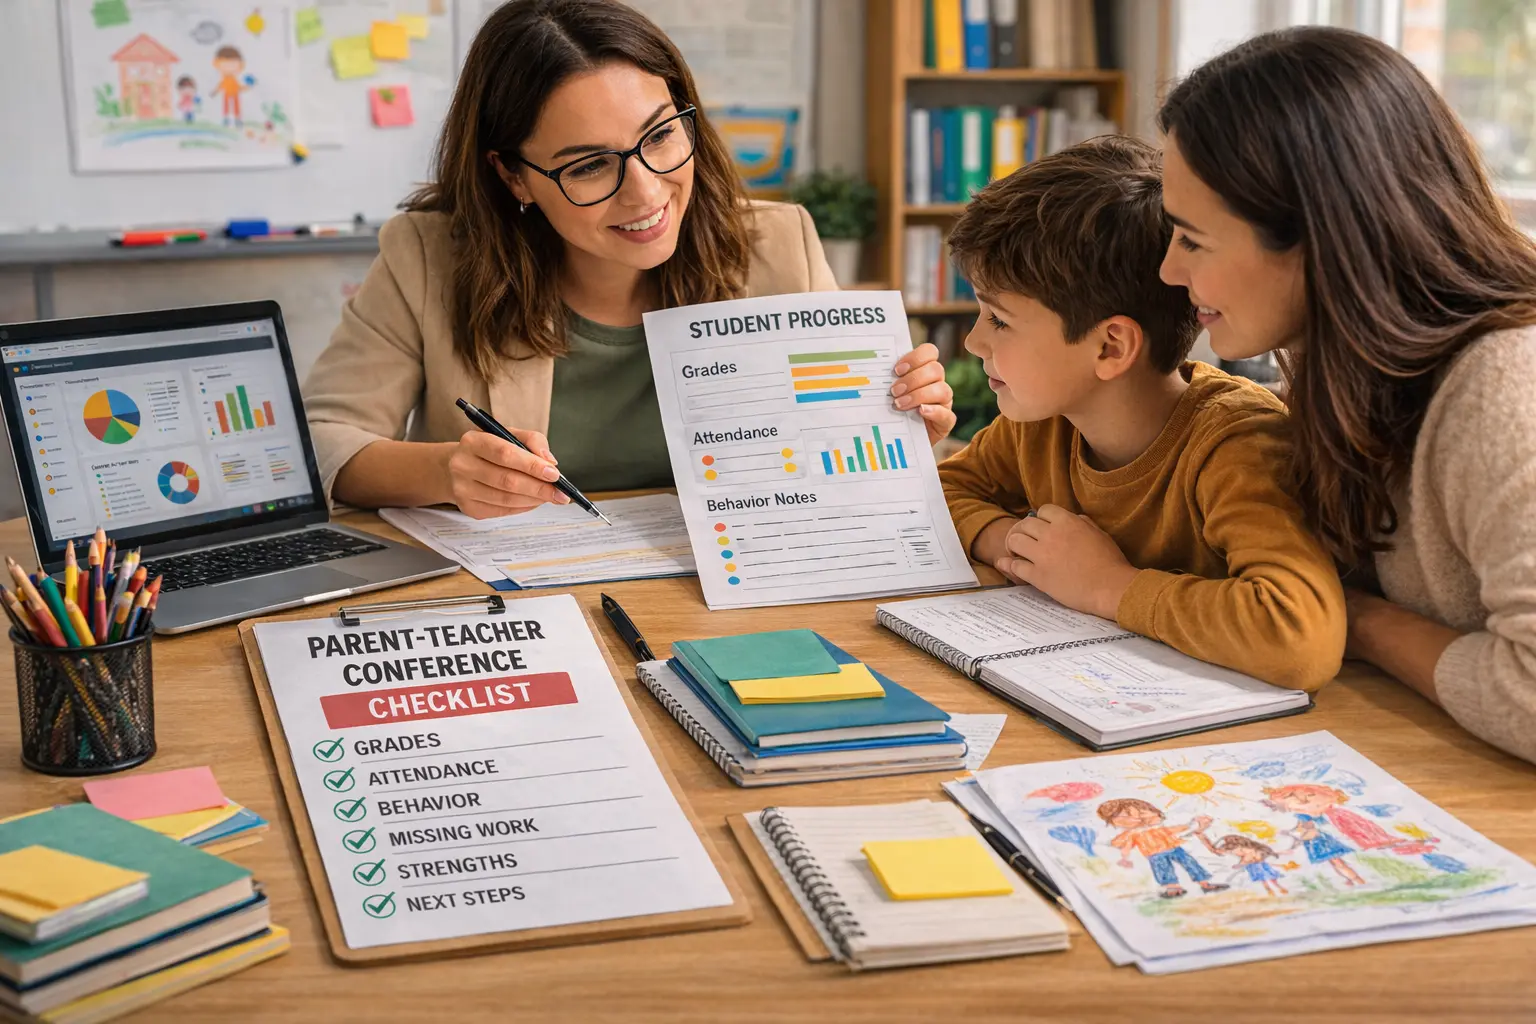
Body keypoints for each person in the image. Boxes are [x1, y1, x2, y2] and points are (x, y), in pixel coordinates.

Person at [302, 0, 954, 518]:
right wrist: (447, 472)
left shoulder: (781, 247)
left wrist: (898, 434)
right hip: (523, 604)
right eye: (588, 166)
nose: (646, 192)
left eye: (661, 134)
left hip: (718, 597)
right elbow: (322, 441)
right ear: (513, 177)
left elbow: (835, 465)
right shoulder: (427, 257)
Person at [1157, 27, 1536, 764]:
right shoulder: (1341, 369)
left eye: (1192, 240)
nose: (1170, 271)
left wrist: (1353, 623)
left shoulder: (1505, 389)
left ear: (1314, 238)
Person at [938, 137, 1345, 692]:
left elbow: (1300, 637)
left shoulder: (1238, 444)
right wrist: (1014, 544)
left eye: (999, 320)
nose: (973, 341)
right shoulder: (1040, 423)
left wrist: (1109, 586)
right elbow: (939, 495)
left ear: (1110, 348)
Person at [1097, 798, 1225, 899]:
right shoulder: (1133, 833)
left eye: (1143, 813)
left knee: (1190, 863)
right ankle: (1173, 888)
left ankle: (1205, 884)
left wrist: (1194, 824)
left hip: (1175, 848)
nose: (1143, 817)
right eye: (1138, 814)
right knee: (1163, 870)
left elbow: (1178, 828)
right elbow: (1124, 844)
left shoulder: (1159, 828)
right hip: (1155, 854)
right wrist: (1124, 857)